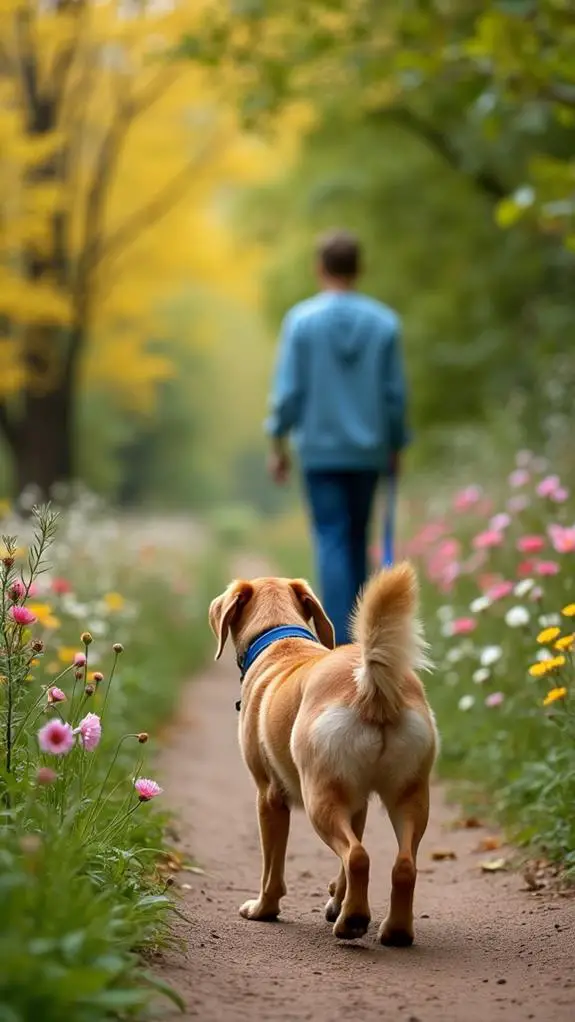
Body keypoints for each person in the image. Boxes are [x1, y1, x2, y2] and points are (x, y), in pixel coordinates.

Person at [264, 229, 410, 646]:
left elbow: (288, 392)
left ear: (319, 268)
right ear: (359, 268)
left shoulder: (302, 322)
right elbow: (393, 395)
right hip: (369, 452)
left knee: (331, 538)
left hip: (320, 452)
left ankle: (339, 643)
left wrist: (277, 443)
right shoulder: (384, 323)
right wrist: (397, 443)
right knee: (357, 537)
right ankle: (361, 638)